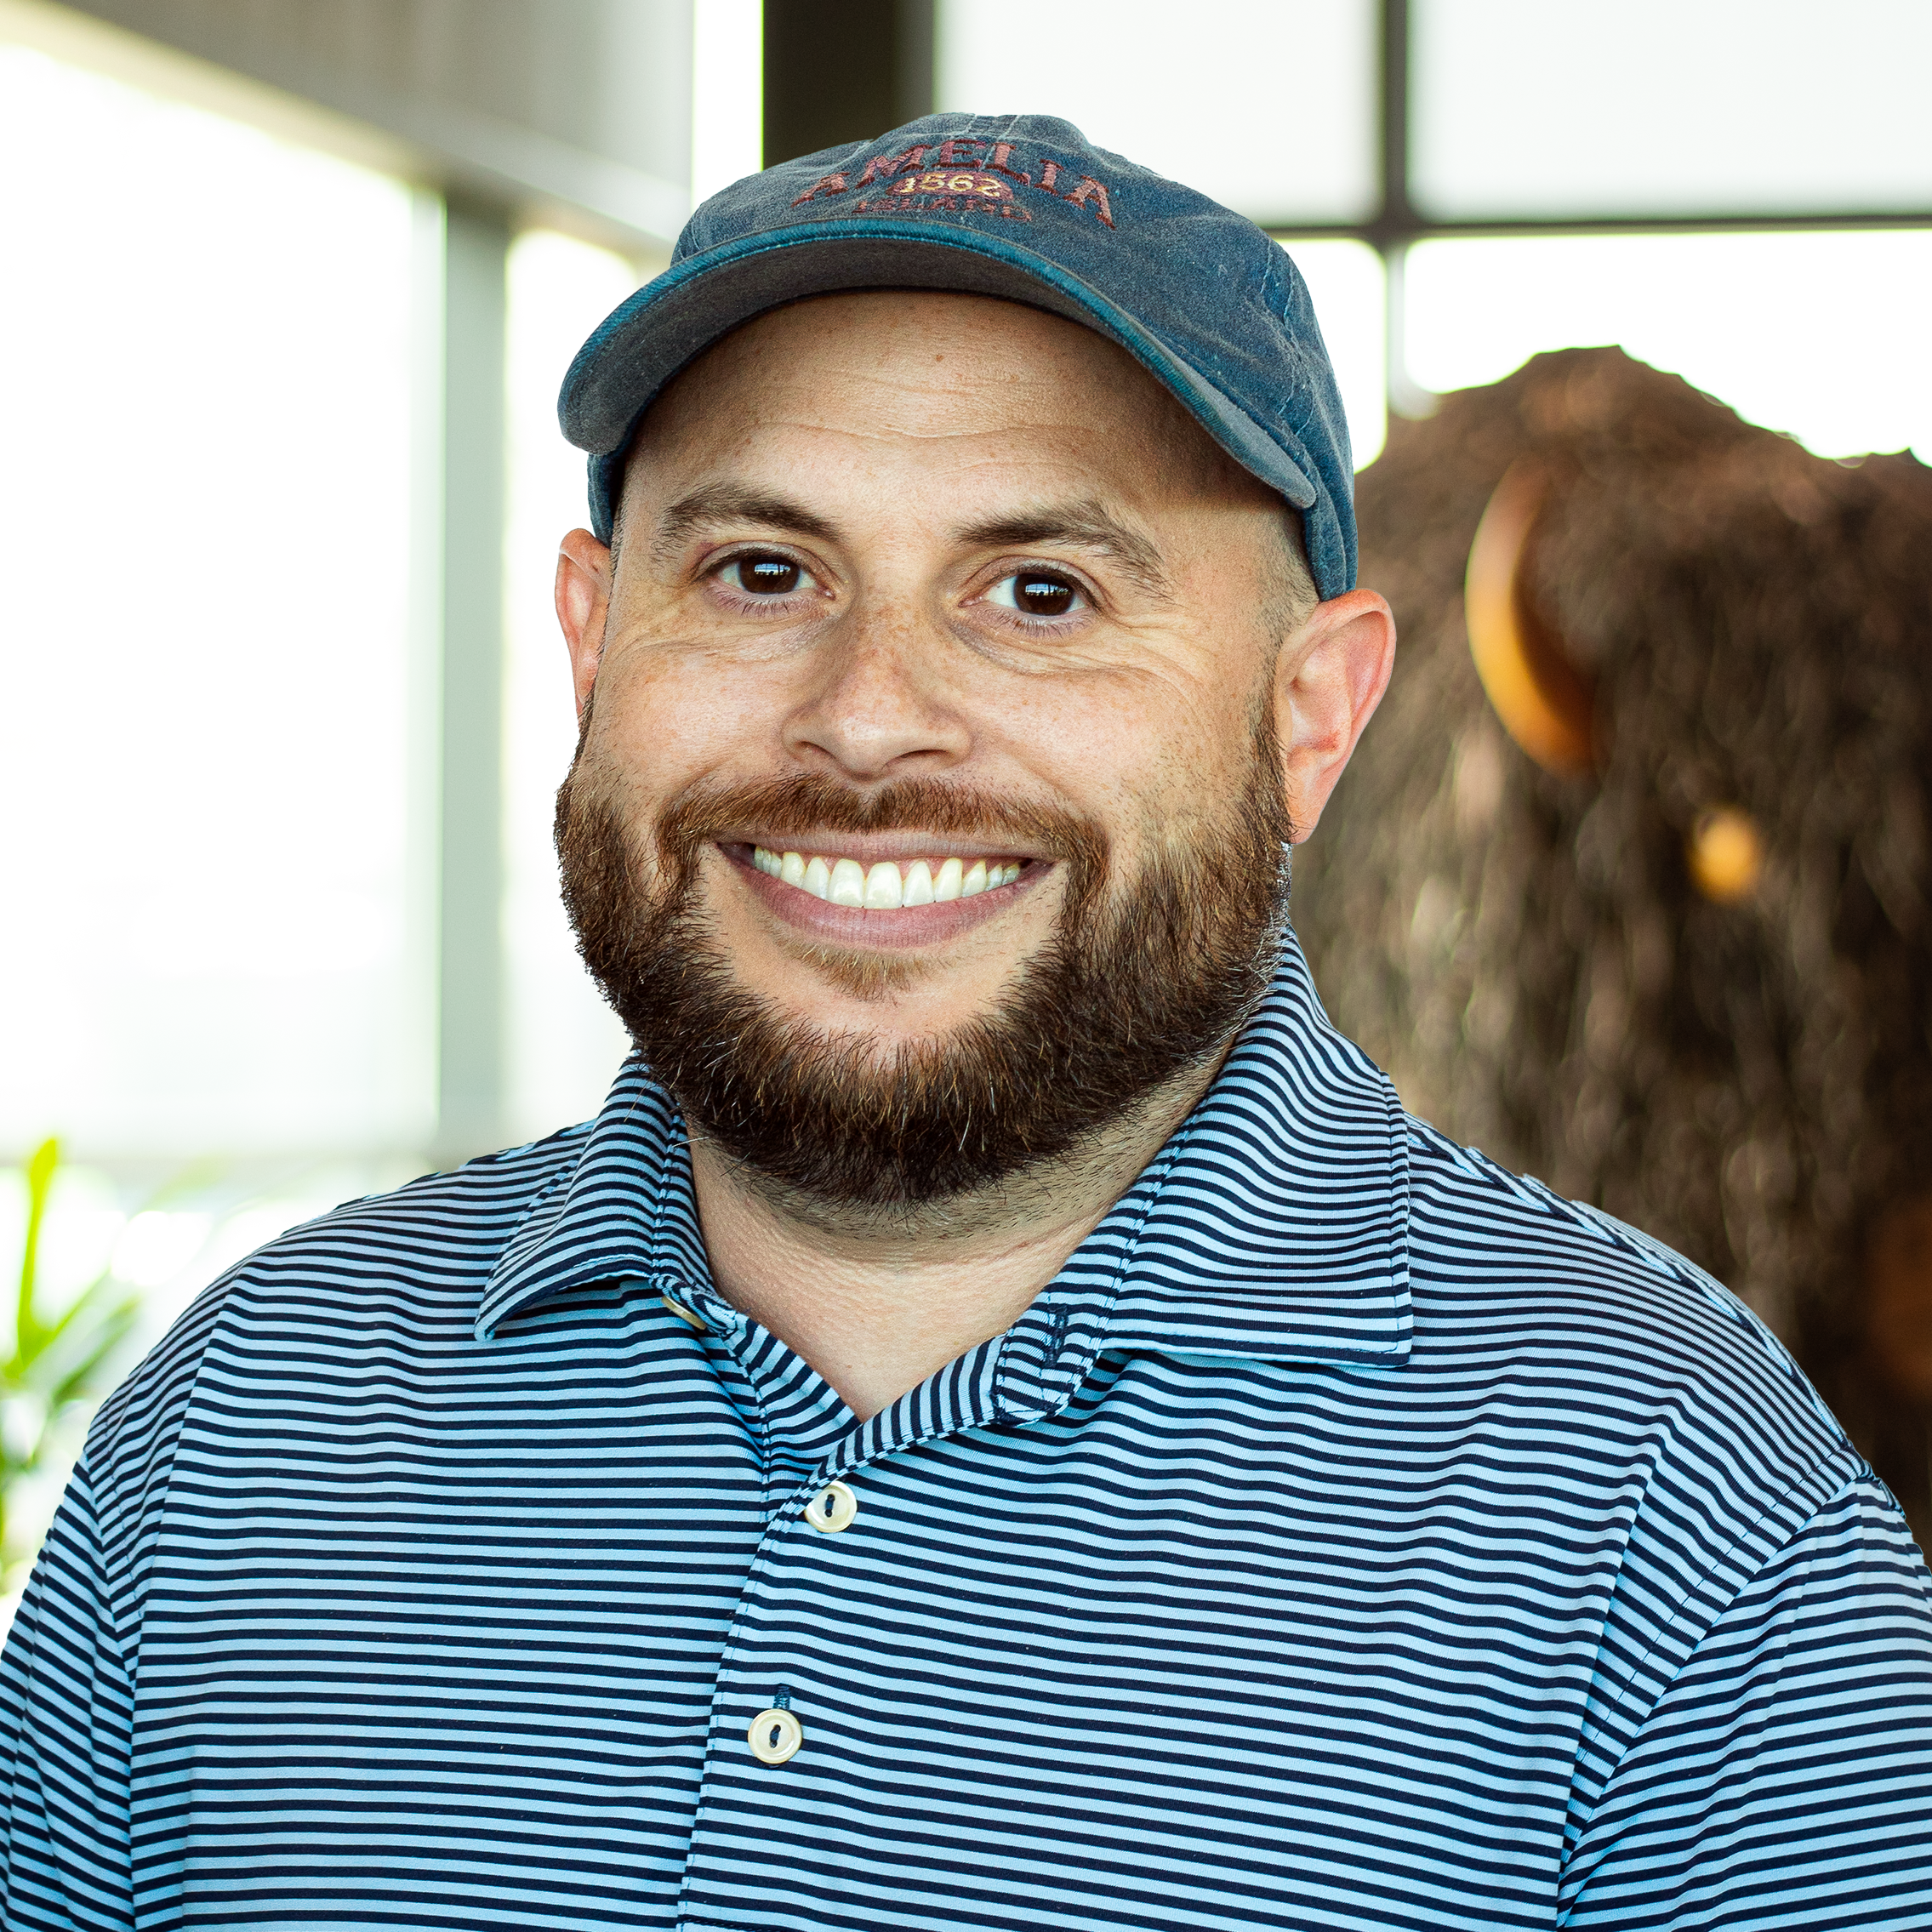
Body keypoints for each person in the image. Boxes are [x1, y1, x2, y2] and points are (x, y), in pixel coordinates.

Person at [3, 113, 1928, 1932]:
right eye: (762, 573)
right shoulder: (249, 1421)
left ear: (1311, 721)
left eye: (1039, 589)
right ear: (594, 644)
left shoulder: (1676, 1506)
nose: (865, 719)